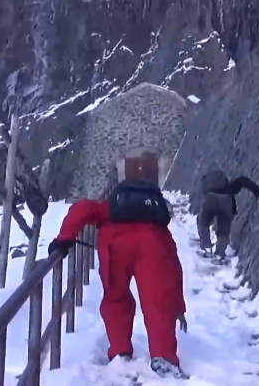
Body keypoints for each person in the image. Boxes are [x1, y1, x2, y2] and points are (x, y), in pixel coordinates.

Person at [48, 151, 188, 379]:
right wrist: (179, 306)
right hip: (155, 243)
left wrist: (64, 239)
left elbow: (82, 208)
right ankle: (164, 358)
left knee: (116, 298)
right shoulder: (158, 218)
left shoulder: (111, 205)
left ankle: (120, 351)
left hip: (114, 245)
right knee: (158, 302)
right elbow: (174, 269)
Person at [196, 169, 259, 260]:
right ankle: (219, 253)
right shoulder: (230, 187)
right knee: (224, 230)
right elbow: (242, 180)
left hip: (210, 199)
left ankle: (206, 247)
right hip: (226, 201)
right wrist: (257, 192)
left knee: (203, 223)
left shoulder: (208, 188)